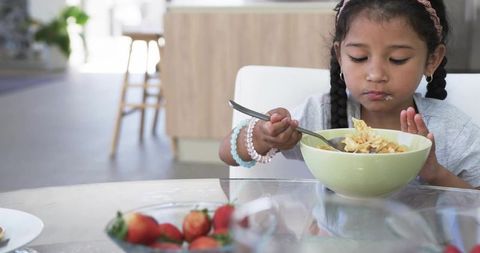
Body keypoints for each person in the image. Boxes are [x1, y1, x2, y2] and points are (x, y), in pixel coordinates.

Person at [219, 0, 480, 189]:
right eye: (359, 57)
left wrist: (435, 174)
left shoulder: (451, 130)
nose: (376, 74)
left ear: (432, 59)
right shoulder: (321, 115)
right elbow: (228, 154)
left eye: (398, 59)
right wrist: (265, 135)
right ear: (340, 56)